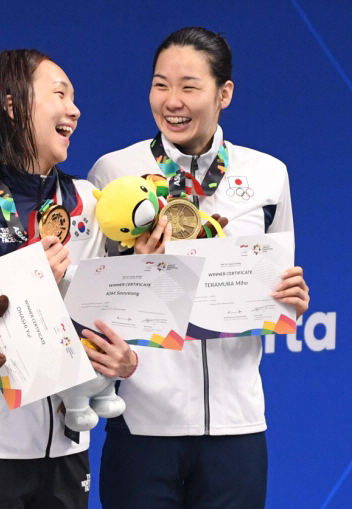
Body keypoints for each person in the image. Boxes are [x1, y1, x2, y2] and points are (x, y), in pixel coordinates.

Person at [89, 27, 310, 509]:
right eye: (160, 84)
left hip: (238, 427)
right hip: (142, 423)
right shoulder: (113, 173)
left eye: (189, 86)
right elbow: (93, 298)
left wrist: (291, 296)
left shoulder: (269, 175)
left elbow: (276, 279)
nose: (172, 101)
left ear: (223, 93)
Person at [0, 49, 138, 509]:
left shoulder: (89, 203)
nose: (74, 109)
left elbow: (112, 310)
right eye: (60, 94)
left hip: (71, 446)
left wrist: (124, 360)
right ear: (12, 106)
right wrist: (27, 276)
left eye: (75, 98)